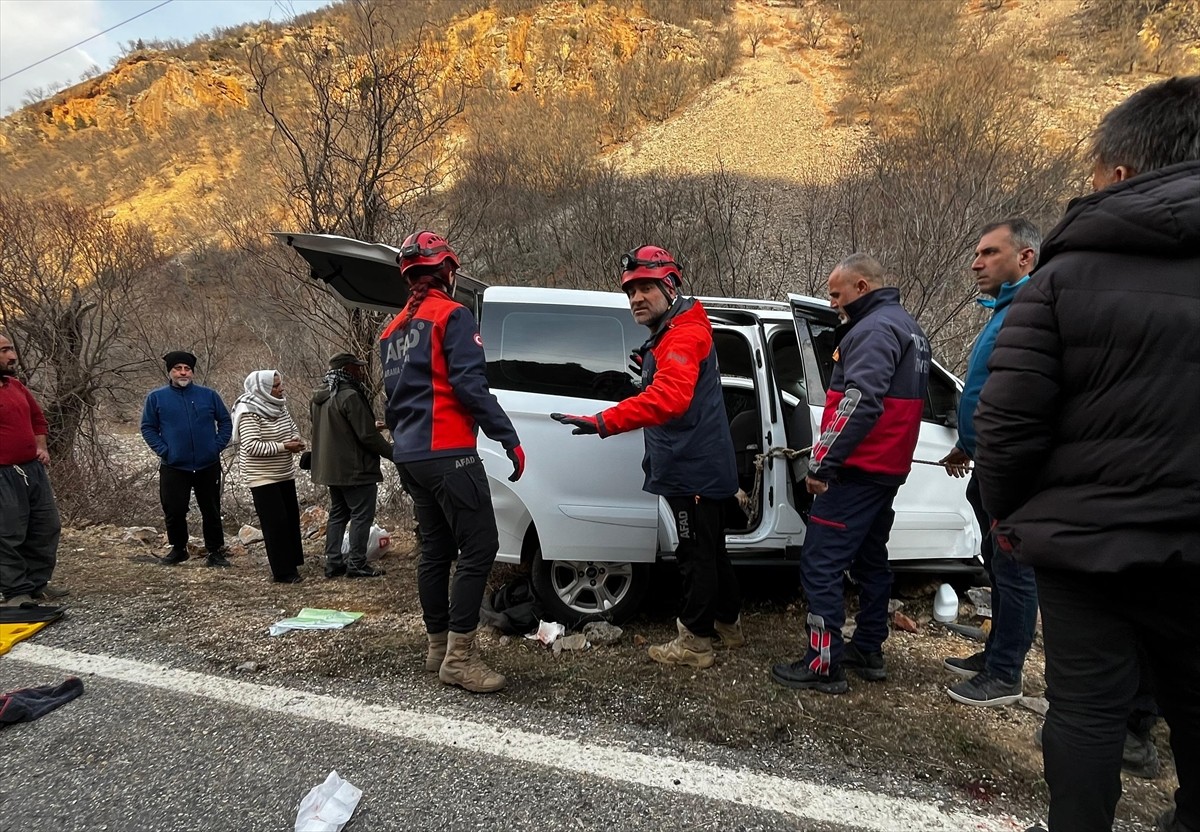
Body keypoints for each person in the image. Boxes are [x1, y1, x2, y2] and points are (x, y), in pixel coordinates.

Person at [975, 75, 1199, 832]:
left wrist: (1010, 514)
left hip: (1086, 545)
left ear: (1123, 173)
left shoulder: (1064, 279)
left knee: (1086, 711)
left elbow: (1009, 424)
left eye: (1095, 172)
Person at [552, 245, 743, 669]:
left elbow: (669, 400)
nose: (636, 298)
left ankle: (695, 642)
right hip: (702, 463)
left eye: (645, 288)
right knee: (713, 551)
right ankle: (728, 626)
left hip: (691, 468)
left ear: (670, 286)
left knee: (696, 555)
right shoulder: (677, 331)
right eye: (630, 291)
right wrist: (648, 363)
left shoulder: (682, 336)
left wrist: (604, 421)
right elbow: (674, 383)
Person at [771, 253, 930, 694]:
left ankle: (823, 665)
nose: (833, 302)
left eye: (836, 294)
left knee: (820, 563)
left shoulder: (874, 329)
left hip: (858, 471)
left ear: (862, 287)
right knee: (871, 560)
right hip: (886, 471)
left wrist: (823, 462)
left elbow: (858, 402)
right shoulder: (908, 328)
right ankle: (868, 648)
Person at [381, 231, 524, 694]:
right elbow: (471, 387)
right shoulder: (453, 316)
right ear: (448, 271)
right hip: (449, 454)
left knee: (436, 551)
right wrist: (509, 438)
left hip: (411, 457)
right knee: (479, 547)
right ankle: (460, 660)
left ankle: (437, 647)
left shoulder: (392, 330)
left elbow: (391, 403)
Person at [939, 218, 1041, 708]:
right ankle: (996, 653)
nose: (976, 263)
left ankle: (1006, 673)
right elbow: (988, 389)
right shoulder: (1005, 310)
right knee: (998, 567)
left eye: (989, 253)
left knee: (1015, 569)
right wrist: (967, 442)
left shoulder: (1034, 312)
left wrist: (995, 451)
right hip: (987, 460)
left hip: (1011, 468)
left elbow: (1028, 398)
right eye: (977, 253)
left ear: (1025, 258)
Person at [140, 350, 233, 567]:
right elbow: (148, 428)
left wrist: (216, 447)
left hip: (207, 463)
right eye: (178, 369)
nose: (183, 373)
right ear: (170, 372)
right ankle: (179, 549)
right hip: (174, 465)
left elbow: (225, 422)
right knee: (174, 508)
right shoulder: (156, 397)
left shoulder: (209, 395)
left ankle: (215, 551)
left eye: (187, 369)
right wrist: (165, 450)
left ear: (192, 372)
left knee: (211, 508)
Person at [309, 352, 393, 580]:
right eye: (357, 367)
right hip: (355, 469)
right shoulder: (349, 395)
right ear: (347, 369)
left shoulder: (319, 396)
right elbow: (366, 437)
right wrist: (395, 454)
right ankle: (357, 563)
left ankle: (333, 562)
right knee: (361, 516)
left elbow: (332, 429)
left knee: (338, 514)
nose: (361, 371)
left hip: (330, 468)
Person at [0, 334, 66, 607]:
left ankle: (36, 584)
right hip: (2, 474)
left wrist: (42, 448)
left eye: (11, 349)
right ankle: (15, 592)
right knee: (7, 533)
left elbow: (38, 420)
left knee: (46, 527)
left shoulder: (14, 385)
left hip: (31, 470)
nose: (12, 356)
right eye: (4, 351)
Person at [232, 370, 306, 583]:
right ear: (262, 388)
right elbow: (251, 446)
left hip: (283, 472)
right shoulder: (248, 411)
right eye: (275, 385)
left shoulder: (279, 405)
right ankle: (283, 572)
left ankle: (293, 562)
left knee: (291, 518)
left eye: (280, 383)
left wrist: (295, 440)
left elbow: (292, 429)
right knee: (276, 522)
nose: (280, 388)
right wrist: (284, 446)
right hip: (261, 475)